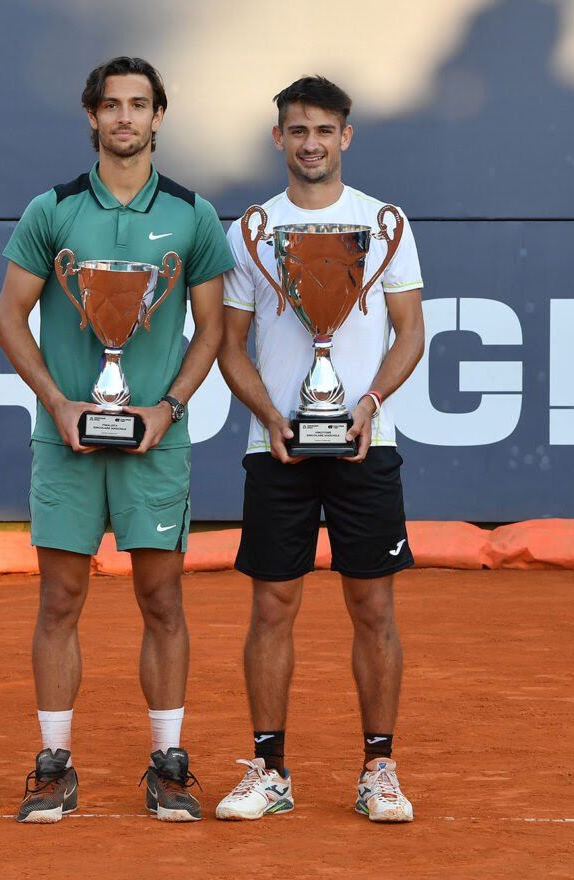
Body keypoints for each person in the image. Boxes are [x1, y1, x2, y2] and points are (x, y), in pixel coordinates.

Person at [0, 56, 234, 824]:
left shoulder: (193, 214)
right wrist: (60, 403)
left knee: (162, 599)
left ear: (159, 116)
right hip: (65, 439)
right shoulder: (53, 209)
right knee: (60, 597)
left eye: (139, 105)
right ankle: (53, 765)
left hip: (155, 442)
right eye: (112, 106)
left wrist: (167, 407)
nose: (125, 118)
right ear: (91, 116)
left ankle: (168, 764)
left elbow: (213, 328)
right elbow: (9, 319)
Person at [214, 76, 426, 823]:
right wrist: (270, 414)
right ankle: (269, 770)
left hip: (368, 443)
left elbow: (411, 333)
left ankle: (379, 770)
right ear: (279, 138)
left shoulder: (386, 224)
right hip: (275, 447)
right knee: (272, 605)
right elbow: (229, 346)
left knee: (372, 605)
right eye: (298, 130)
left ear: (346, 137)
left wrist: (366, 406)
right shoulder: (248, 230)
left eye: (324, 130)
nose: (311, 143)